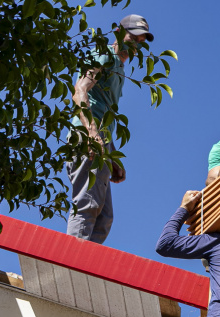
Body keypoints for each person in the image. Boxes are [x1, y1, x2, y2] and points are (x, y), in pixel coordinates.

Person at [66, 14, 155, 244]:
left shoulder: (119, 70)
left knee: (104, 218)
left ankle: (83, 268)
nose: (136, 45)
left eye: (140, 42)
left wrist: (113, 155)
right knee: (87, 205)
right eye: (132, 37)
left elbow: (103, 112)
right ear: (117, 32)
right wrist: (93, 135)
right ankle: (71, 267)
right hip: (87, 136)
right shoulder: (104, 54)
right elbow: (80, 92)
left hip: (101, 143)